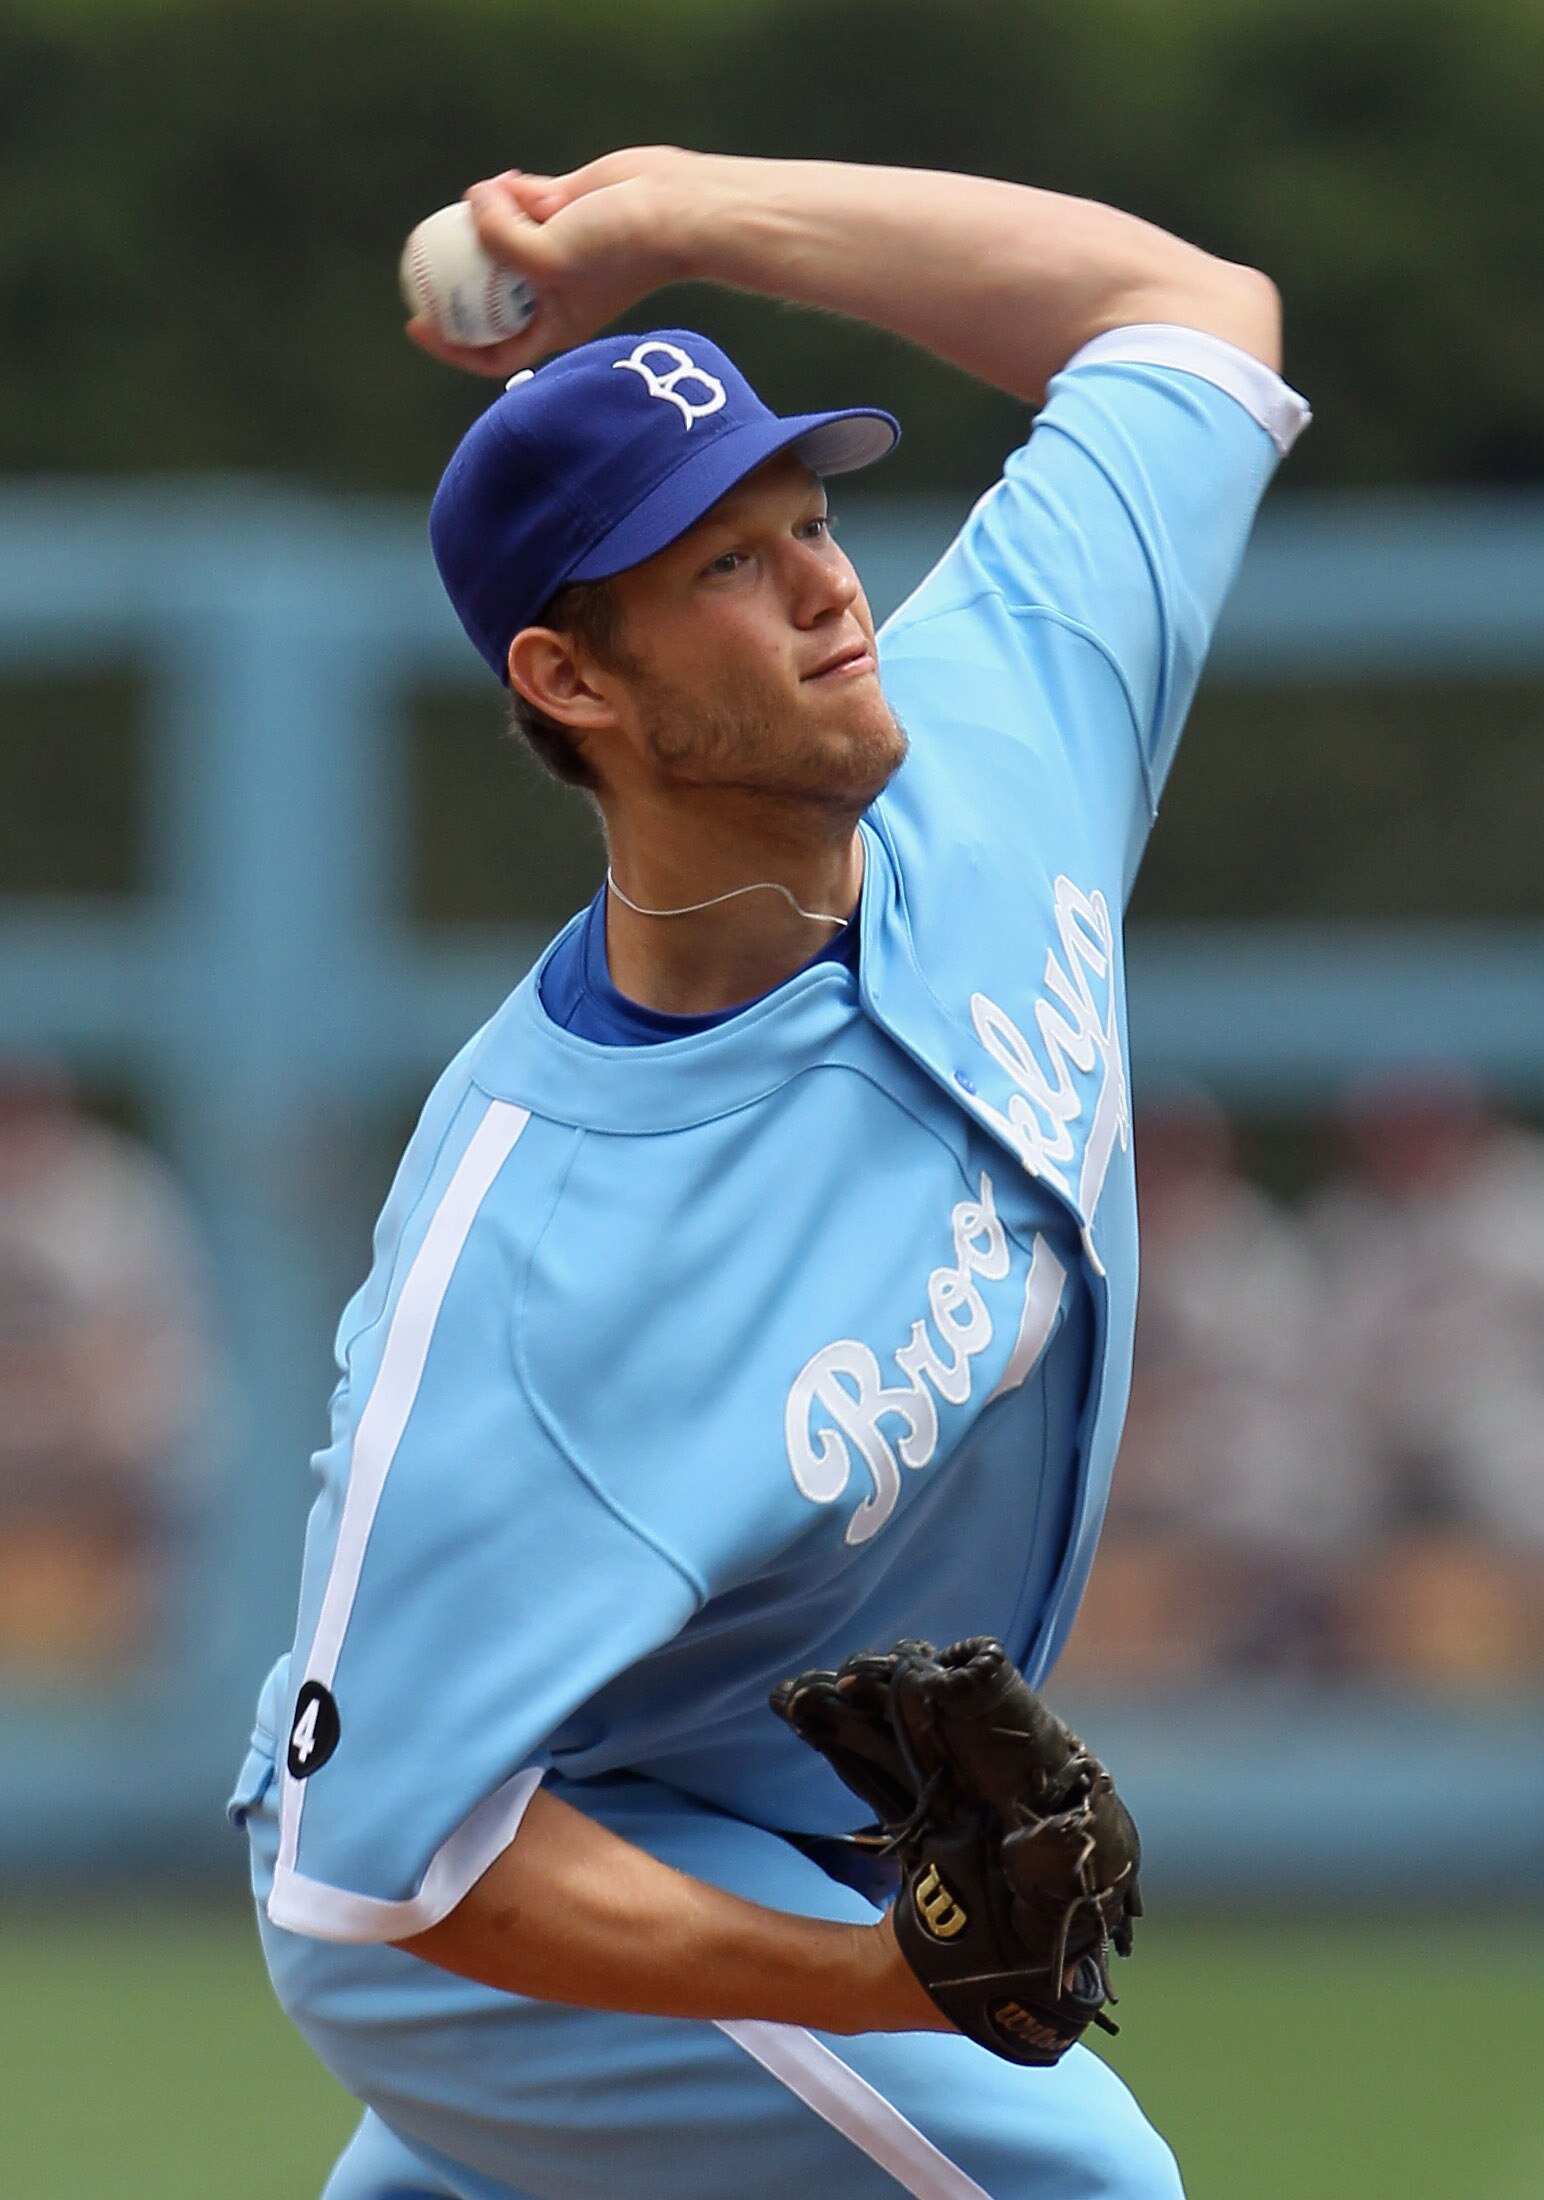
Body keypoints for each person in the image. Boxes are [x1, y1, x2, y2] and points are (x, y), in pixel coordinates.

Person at [230, 147, 1308, 2199]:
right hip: (483, 1910)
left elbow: (1186, 311)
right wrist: (871, 1977)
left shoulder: (999, 725)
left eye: (810, 519)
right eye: (726, 564)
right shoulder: (532, 1251)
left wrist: (681, 216)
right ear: (573, 680)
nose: (827, 584)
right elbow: (374, 1868)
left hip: (722, 1818)